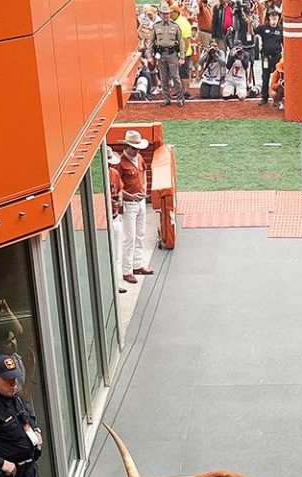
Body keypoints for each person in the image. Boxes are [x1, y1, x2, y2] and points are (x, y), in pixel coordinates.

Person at [112, 131, 154, 286]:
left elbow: (143, 173)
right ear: (126, 146)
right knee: (129, 238)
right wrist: (130, 196)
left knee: (140, 234)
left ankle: (137, 265)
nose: (136, 151)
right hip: (129, 205)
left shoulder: (139, 158)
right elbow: (117, 187)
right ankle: (127, 270)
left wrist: (144, 188)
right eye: (133, 148)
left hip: (140, 202)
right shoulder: (120, 163)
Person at [152, 10, 186, 106]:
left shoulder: (174, 26)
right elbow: (151, 42)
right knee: (163, 78)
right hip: (160, 54)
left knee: (175, 77)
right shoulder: (156, 26)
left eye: (167, 13)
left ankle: (180, 98)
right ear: (160, 14)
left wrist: (182, 56)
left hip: (172, 54)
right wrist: (150, 55)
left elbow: (181, 42)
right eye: (163, 13)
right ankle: (166, 98)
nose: (165, 15)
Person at [255, 9, 284, 103]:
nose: (274, 18)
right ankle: (264, 98)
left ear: (279, 18)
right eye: (272, 16)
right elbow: (252, 32)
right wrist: (249, 22)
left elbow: (285, 44)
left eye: (276, 16)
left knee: (278, 77)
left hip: (277, 57)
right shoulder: (263, 27)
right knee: (265, 76)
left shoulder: (281, 29)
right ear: (269, 17)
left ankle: (277, 99)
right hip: (266, 57)